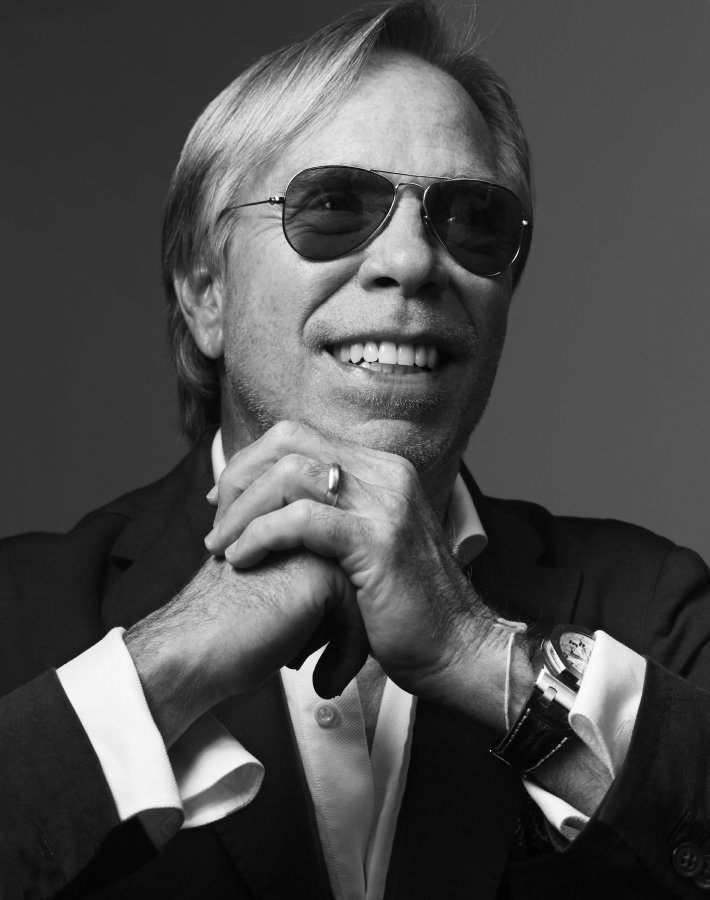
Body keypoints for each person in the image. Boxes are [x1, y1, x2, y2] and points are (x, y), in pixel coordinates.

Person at [1, 1, 709, 898]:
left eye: (472, 219)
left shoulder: (656, 609)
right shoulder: (16, 615)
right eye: (334, 205)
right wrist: (168, 665)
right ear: (206, 292)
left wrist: (483, 655)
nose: (412, 262)